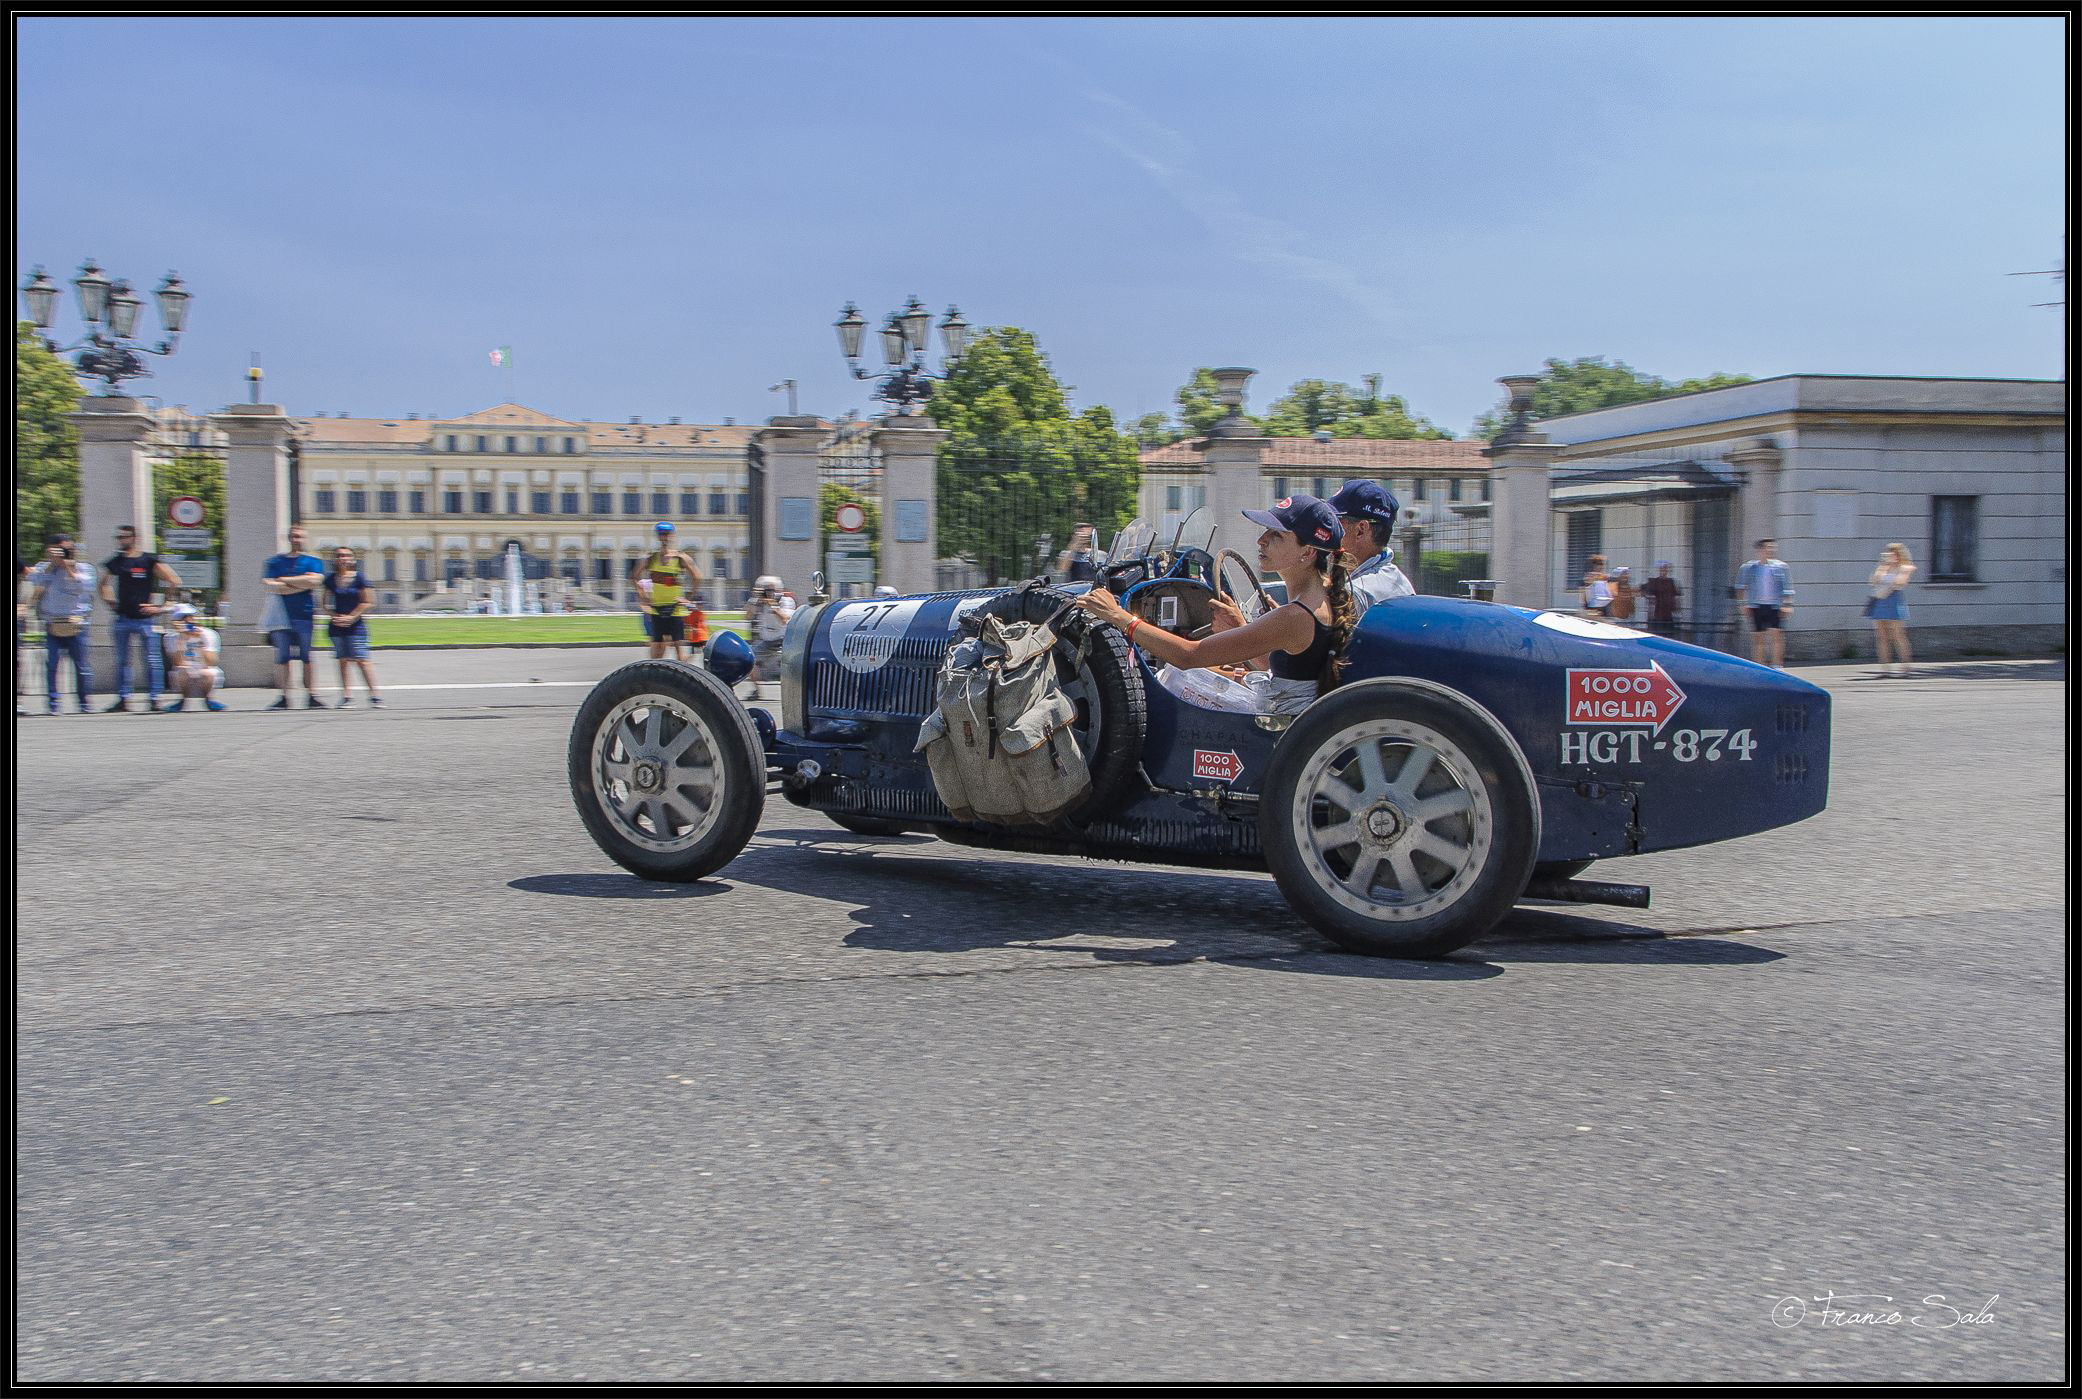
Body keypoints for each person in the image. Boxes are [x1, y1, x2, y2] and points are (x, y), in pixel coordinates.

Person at [1077, 494, 1355, 717]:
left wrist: (1120, 617)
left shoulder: (1295, 616)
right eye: (1266, 530)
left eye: (1277, 535)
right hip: (1290, 722)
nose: (1261, 539)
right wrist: (1240, 628)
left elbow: (1189, 655)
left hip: (1279, 732)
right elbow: (1285, 668)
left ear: (1308, 552)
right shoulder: (1322, 598)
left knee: (1170, 678)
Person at [98, 524, 184, 713]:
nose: (121, 541)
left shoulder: (148, 560)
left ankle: (155, 698)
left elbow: (173, 580)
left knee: (152, 660)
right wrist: (110, 601)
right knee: (122, 661)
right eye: (119, 537)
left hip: (145, 619)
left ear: (134, 538)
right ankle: (123, 699)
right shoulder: (117, 561)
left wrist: (161, 607)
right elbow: (103, 583)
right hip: (123, 618)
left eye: (124, 537)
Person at [27, 535, 97, 714]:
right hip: (53, 623)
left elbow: (85, 588)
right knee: (52, 665)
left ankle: (84, 703)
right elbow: (35, 582)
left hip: (76, 624)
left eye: (66, 550)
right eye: (58, 550)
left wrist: (68, 567)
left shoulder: (83, 568)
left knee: (81, 666)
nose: (62, 553)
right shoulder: (45, 567)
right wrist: (51, 565)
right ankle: (53, 703)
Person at [261, 526, 329, 709]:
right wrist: (302, 583)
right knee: (283, 657)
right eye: (294, 536)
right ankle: (284, 696)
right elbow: (269, 585)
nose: (297, 539)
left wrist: (284, 580)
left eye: (300, 536)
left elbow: (315, 581)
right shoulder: (275, 562)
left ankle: (311, 695)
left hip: (304, 615)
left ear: (305, 539)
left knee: (307, 657)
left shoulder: (313, 561)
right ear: (289, 538)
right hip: (280, 616)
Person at [1327, 480, 1414, 611]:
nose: (1329, 529)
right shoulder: (1399, 580)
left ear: (1360, 530)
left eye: (1335, 522)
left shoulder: (1356, 594)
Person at [631, 522, 704, 662]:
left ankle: (683, 670)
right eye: (662, 535)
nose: (665, 538)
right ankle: (655, 673)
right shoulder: (651, 559)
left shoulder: (680, 558)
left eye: (667, 534)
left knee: (678, 647)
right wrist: (643, 595)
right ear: (658, 537)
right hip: (657, 608)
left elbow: (697, 576)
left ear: (672, 536)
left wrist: (688, 598)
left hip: (675, 608)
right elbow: (634, 576)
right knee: (657, 648)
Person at [324, 546, 383, 707]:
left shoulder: (359, 578)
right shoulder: (330, 579)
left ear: (353, 559)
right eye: (339, 555)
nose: (342, 558)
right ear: (335, 559)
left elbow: (369, 602)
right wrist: (333, 615)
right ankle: (347, 696)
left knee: (362, 660)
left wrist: (351, 617)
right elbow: (325, 603)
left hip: (356, 626)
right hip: (337, 626)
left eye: (346, 555)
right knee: (342, 660)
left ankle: (375, 696)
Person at [1736, 538, 1794, 669]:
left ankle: (1777, 665)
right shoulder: (1749, 567)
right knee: (1758, 637)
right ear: (1759, 550)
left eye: (1772, 547)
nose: (1770, 550)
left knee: (1777, 635)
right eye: (1767, 547)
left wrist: (1787, 605)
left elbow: (1787, 588)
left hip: (1775, 605)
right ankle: (1759, 665)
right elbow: (1740, 587)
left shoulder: (1781, 567)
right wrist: (1742, 604)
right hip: (1756, 605)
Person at [159, 605, 227, 711]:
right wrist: (182, 640)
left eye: (190, 617)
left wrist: (200, 642)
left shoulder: (209, 634)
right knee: (181, 671)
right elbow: (177, 662)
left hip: (204, 673)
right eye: (182, 619)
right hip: (185, 677)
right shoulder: (171, 637)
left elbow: (212, 662)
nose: (188, 621)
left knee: (209, 672)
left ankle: (209, 700)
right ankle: (182, 701)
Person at [1868, 542, 1917, 678]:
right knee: (1881, 636)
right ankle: (1885, 669)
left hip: (1894, 599)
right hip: (1880, 600)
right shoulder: (1883, 567)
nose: (1891, 556)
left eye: (1894, 553)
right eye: (1889, 553)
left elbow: (1900, 582)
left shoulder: (1905, 567)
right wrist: (1883, 566)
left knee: (1898, 635)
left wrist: (1893, 571)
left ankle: (1905, 668)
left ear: (1899, 555)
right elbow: (1873, 581)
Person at [746, 575, 795, 687]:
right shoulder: (758, 602)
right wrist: (754, 602)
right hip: (766, 640)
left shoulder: (785, 601)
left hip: (782, 640)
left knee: (791, 666)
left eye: (770, 590)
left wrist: (772, 605)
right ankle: (756, 690)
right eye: (765, 590)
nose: (767, 593)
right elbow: (748, 616)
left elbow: (784, 619)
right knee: (748, 658)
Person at [1642, 561, 1682, 637]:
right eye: (1662, 569)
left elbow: (1675, 595)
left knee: (1669, 634)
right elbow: (1643, 589)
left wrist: (1675, 608)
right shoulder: (1655, 582)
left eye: (1666, 569)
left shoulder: (1671, 582)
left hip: (1668, 614)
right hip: (1658, 614)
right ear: (1659, 570)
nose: (1664, 571)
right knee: (1659, 633)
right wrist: (1650, 599)